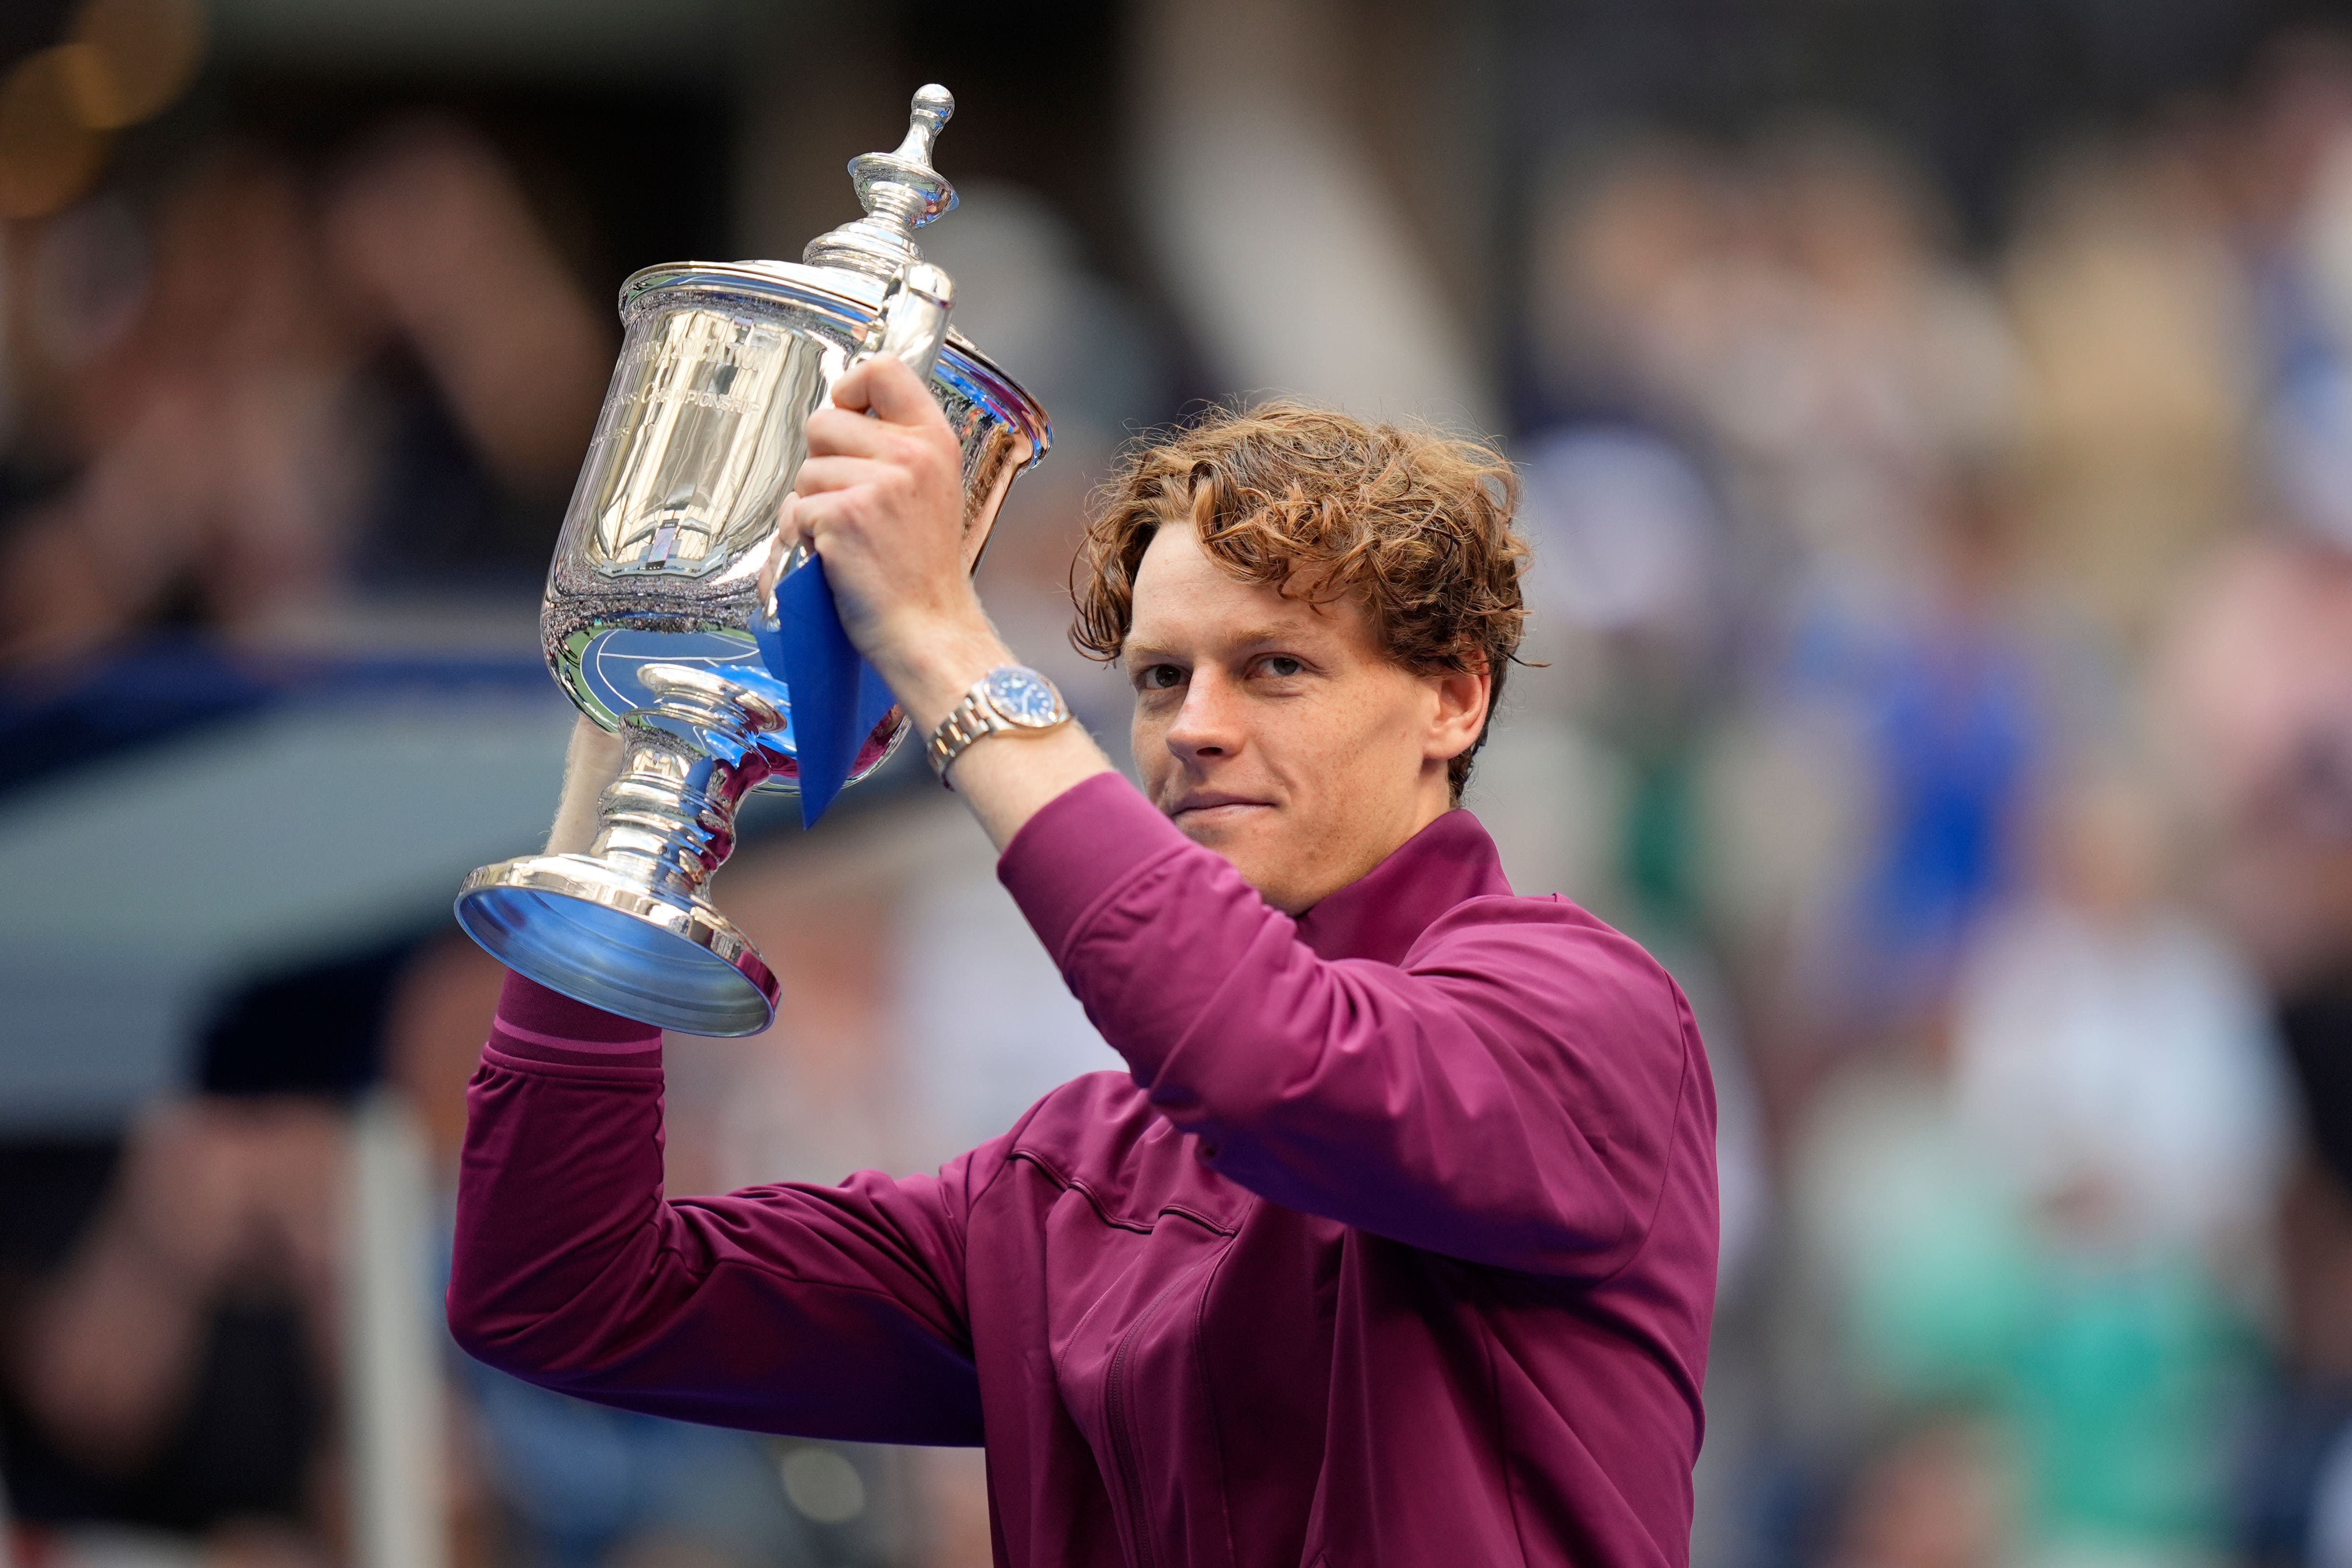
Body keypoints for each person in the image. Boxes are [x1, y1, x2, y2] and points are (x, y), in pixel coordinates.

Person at [448, 370, 1720, 1566]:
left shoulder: (1585, 1012)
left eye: (1276, 666)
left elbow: (1271, 1065)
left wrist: (948, 647)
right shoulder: (1071, 1179)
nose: (1198, 729)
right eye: (1162, 679)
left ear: (1454, 700)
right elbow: (563, 1289)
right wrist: (634, 779)